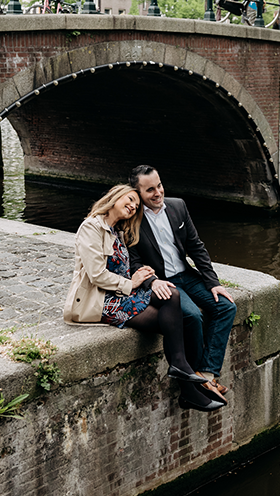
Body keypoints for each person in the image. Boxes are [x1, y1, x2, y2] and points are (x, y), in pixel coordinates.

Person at [64, 184, 225, 413]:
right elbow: (97, 275)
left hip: (122, 293)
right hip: (102, 301)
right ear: (115, 198)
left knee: (171, 294)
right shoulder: (92, 226)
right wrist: (133, 282)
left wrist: (144, 275)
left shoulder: (117, 230)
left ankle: (181, 368)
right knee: (172, 319)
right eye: (129, 200)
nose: (132, 206)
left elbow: (125, 267)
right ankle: (188, 388)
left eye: (136, 205)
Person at [128, 166, 236, 398]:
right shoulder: (131, 219)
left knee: (226, 306)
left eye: (159, 185)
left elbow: (196, 246)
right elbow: (134, 262)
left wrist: (212, 282)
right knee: (192, 316)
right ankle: (194, 381)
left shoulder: (178, 206)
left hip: (186, 275)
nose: (157, 193)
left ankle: (206, 375)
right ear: (137, 193)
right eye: (149, 190)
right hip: (164, 282)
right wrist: (152, 282)